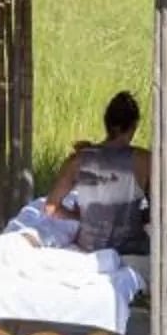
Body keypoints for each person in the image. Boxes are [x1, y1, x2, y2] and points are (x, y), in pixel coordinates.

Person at [42, 90, 154, 255]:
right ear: (133, 127)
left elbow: (51, 207)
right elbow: (158, 211)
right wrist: (135, 216)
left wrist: (81, 216)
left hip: (90, 247)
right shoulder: (145, 160)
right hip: (131, 249)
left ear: (107, 123)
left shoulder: (77, 160)